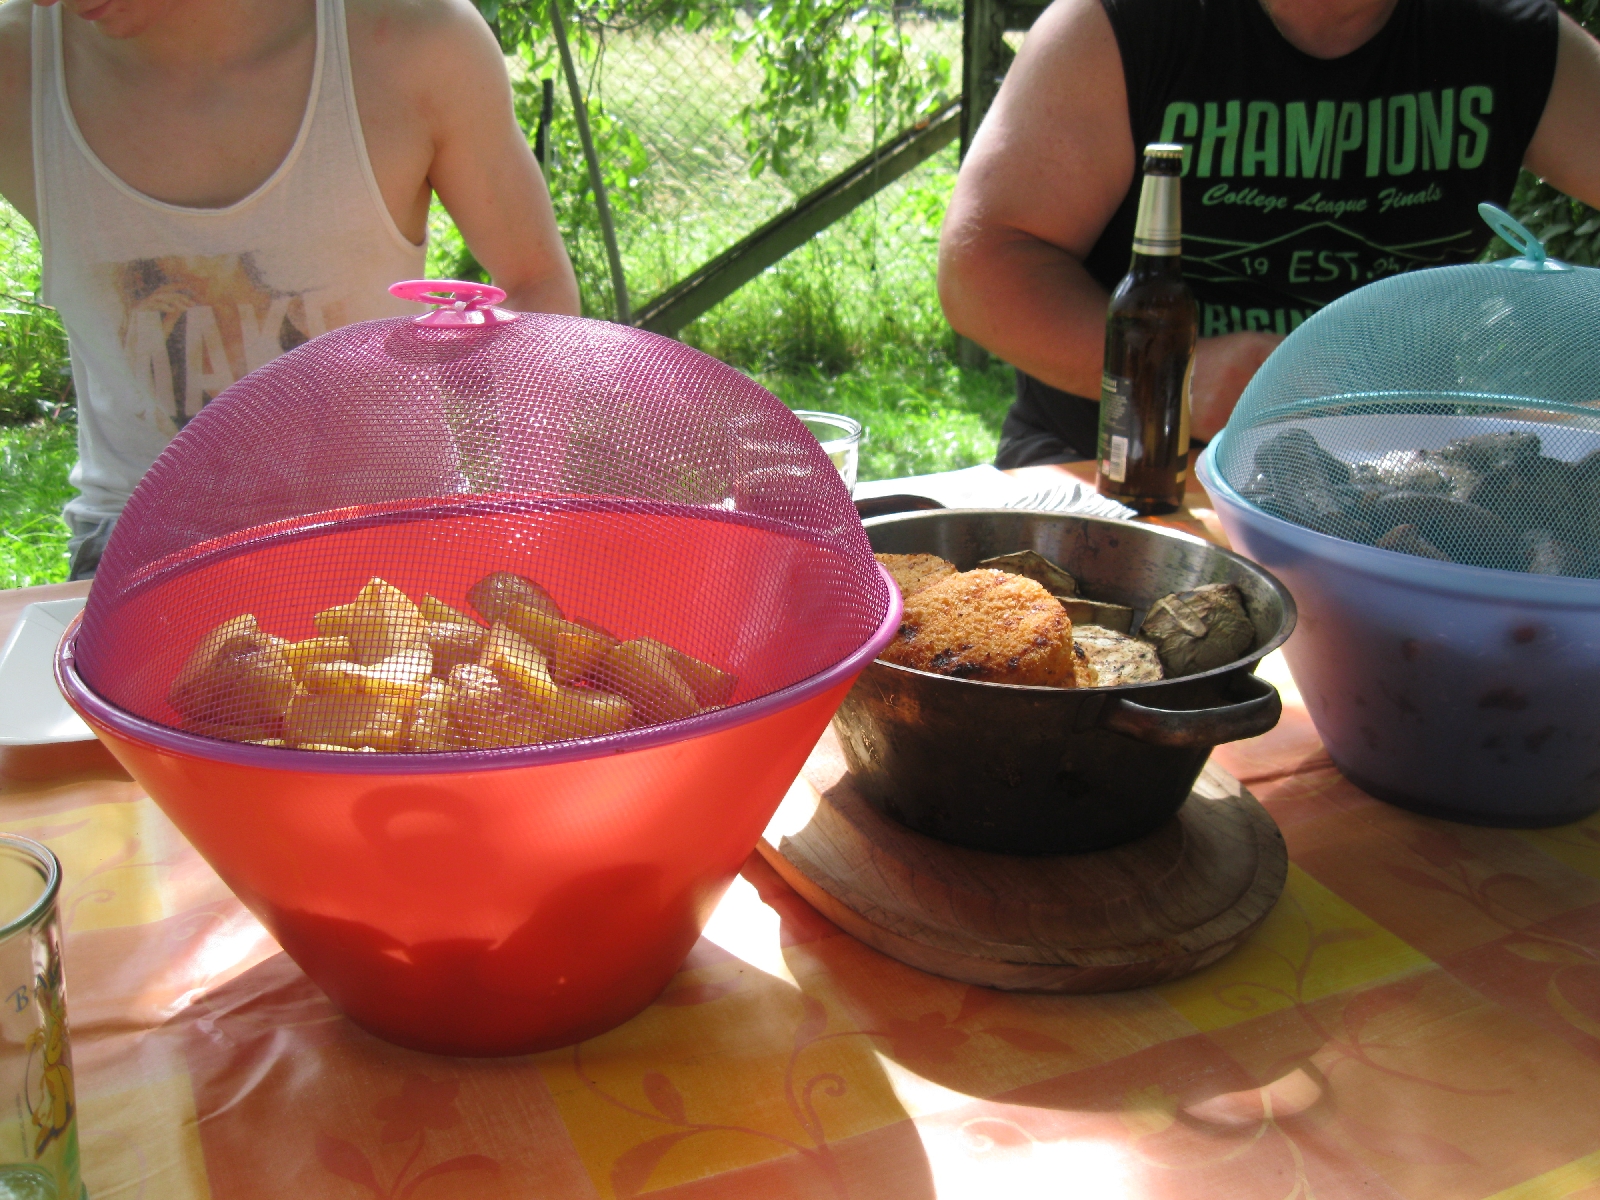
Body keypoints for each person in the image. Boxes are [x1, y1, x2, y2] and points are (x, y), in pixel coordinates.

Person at [0, 0, 581, 578]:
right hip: (138, 547)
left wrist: (523, 520)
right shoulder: (15, 62)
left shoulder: (414, 38)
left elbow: (534, 282)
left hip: (395, 531)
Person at [938, 0, 1600, 468]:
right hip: (1122, 475)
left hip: (1397, 483)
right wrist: (1178, 383)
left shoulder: (1509, 33)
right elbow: (982, 268)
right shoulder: (1120, 23)